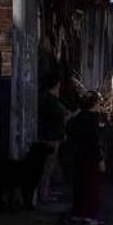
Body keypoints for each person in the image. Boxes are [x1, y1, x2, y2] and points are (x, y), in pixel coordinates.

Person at [66, 91, 105, 225]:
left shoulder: (77, 118)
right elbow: (96, 140)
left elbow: (69, 131)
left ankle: (77, 213)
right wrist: (100, 159)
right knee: (92, 186)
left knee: (79, 184)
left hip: (78, 154)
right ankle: (90, 216)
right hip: (91, 156)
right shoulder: (94, 119)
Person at [37, 71, 68, 205]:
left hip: (55, 136)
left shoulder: (51, 99)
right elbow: (58, 115)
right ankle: (43, 193)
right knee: (47, 167)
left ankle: (47, 190)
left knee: (52, 166)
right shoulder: (49, 100)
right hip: (50, 137)